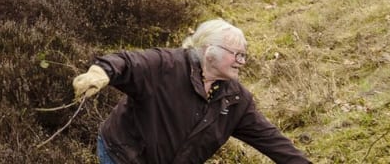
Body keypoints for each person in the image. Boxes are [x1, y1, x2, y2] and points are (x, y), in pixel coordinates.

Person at [73, 18, 309, 164]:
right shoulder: (165, 66)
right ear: (209, 50)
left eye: (244, 55)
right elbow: (127, 62)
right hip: (122, 154)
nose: (242, 61)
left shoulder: (236, 100)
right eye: (236, 54)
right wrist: (101, 72)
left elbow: (272, 142)